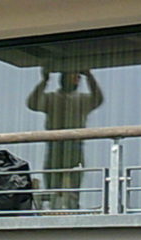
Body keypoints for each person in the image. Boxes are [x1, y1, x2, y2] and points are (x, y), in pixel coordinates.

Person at [26, 69, 104, 210]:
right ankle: (52, 210)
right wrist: (44, 81)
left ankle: (72, 210)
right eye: (73, 77)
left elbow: (97, 99)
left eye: (78, 78)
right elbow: (32, 103)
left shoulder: (82, 99)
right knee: (52, 184)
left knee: (73, 186)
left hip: (75, 146)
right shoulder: (52, 98)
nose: (76, 80)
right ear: (63, 79)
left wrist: (90, 77)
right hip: (54, 147)